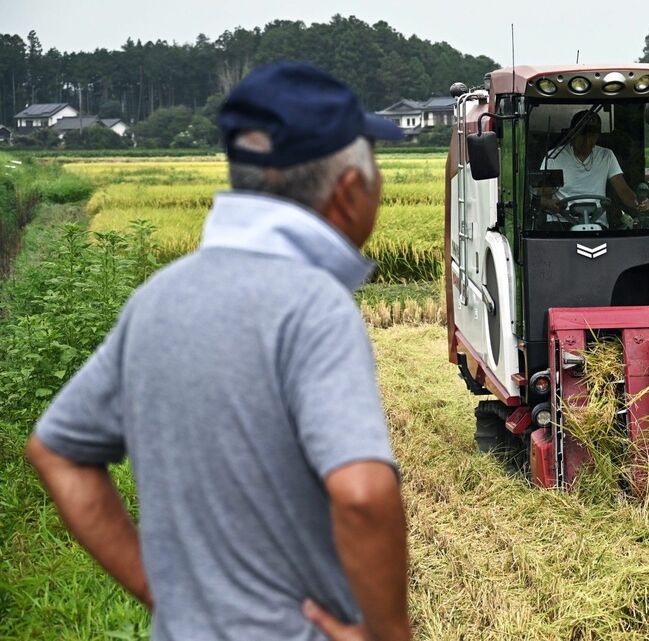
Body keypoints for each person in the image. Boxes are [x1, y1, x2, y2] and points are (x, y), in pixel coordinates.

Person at [25, 62, 412, 641]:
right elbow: (362, 494)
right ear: (350, 189)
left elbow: (56, 452)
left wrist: (167, 595)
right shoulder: (314, 305)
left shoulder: (157, 298)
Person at [539, 109, 649, 228]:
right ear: (572, 133)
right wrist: (549, 203)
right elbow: (544, 196)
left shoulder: (606, 156)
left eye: (592, 136)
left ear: (598, 136)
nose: (587, 141)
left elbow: (623, 190)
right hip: (561, 223)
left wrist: (638, 202)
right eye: (582, 134)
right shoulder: (554, 157)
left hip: (597, 222)